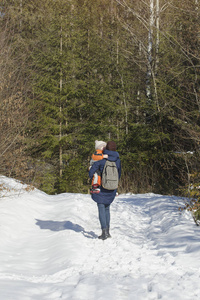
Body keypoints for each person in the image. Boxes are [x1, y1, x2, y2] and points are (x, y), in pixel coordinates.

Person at [89, 141, 121, 240]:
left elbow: (91, 171)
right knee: (107, 208)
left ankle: (104, 232)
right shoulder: (117, 160)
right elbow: (118, 174)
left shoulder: (102, 159)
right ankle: (108, 231)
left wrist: (93, 178)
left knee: (101, 207)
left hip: (102, 187)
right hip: (112, 187)